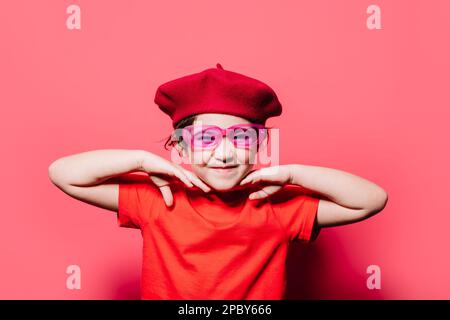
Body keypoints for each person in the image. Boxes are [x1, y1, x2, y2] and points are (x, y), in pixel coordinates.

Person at [48, 63, 388, 299]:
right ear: (180, 146)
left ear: (260, 144)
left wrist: (293, 174)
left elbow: (371, 199)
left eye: (240, 137)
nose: (224, 154)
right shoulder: (156, 199)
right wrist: (140, 160)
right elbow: (63, 173)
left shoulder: (277, 204)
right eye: (206, 138)